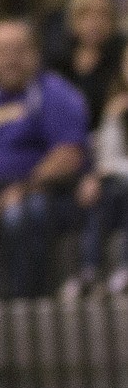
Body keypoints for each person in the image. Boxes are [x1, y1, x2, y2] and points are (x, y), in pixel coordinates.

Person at [0, 17, 88, 296]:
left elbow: (69, 155)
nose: (9, 60)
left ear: (35, 54)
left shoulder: (54, 94)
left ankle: (20, 306)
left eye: (18, 50)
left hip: (44, 195)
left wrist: (21, 190)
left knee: (19, 216)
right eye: (1, 52)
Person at [71, 41, 128, 296]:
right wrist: (93, 176)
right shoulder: (116, 106)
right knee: (100, 194)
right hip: (116, 182)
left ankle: (125, 268)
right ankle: (89, 270)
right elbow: (106, 152)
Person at [54, 0, 122, 129]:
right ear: (74, 18)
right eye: (86, 14)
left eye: (103, 14)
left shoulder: (122, 55)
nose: (95, 22)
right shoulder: (58, 55)